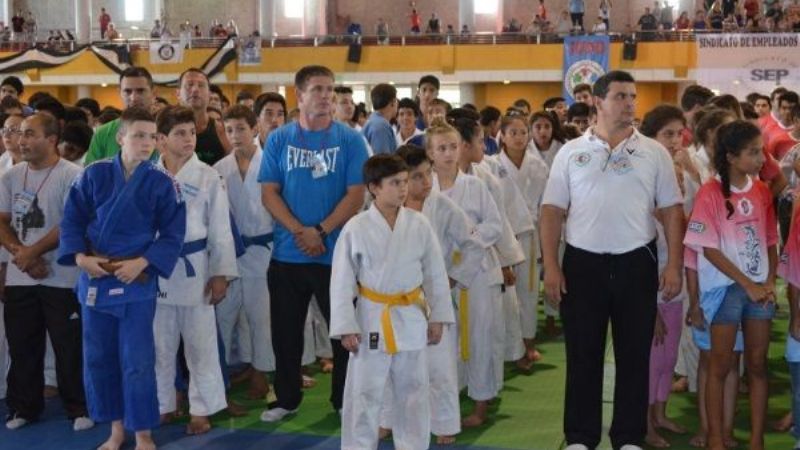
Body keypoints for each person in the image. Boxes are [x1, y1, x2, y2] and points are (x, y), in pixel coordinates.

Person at [540, 71, 684, 450]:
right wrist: (551, 267)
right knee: (582, 353)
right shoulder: (571, 152)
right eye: (621, 96)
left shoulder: (654, 153)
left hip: (636, 262)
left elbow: (671, 211)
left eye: (633, 97)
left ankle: (629, 437)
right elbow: (552, 211)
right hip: (582, 264)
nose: (630, 104)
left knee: (634, 354)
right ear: (598, 102)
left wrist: (673, 266)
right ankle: (580, 437)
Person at [57, 107, 186, 450]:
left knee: (137, 360)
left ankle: (143, 432)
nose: (147, 143)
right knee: (101, 359)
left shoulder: (163, 183)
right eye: (139, 135)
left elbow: (173, 235)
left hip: (135, 280)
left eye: (152, 136)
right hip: (96, 277)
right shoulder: (93, 174)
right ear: (120, 138)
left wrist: (143, 262)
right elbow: (71, 221)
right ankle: (115, 432)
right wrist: (81, 258)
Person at [258, 65, 369, 422]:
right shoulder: (279, 140)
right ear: (299, 95)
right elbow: (269, 193)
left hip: (336, 254)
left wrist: (320, 231)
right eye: (318, 89)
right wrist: (299, 231)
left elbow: (356, 195)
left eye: (331, 90)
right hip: (289, 254)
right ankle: (286, 399)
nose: (326, 97)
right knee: (286, 335)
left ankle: (343, 400)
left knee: (343, 335)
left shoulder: (350, 140)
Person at [330, 153, 453, 450]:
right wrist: (346, 325)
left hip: (410, 315)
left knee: (413, 391)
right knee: (364, 392)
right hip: (371, 317)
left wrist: (437, 317)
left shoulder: (419, 224)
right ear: (373, 187)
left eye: (405, 181)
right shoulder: (356, 227)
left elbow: (435, 274)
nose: (403, 189)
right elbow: (342, 280)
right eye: (395, 182)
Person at [683, 120, 776, 450]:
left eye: (761, 150)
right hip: (723, 291)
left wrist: (767, 281)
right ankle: (716, 440)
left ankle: (756, 439)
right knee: (720, 366)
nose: (762, 158)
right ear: (732, 157)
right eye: (753, 152)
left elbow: (769, 240)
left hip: (758, 292)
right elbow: (706, 247)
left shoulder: (762, 190)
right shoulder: (710, 192)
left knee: (757, 366)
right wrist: (746, 284)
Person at [0, 113, 92, 431]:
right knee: (22, 345)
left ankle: (78, 407)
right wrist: (20, 253)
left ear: (52, 139)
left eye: (29, 134)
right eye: (19, 134)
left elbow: (70, 223)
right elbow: (2, 220)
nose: (21, 140)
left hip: (63, 277)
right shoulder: (10, 177)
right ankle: (23, 407)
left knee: (69, 346)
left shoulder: (73, 175)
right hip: (20, 275)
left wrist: (32, 251)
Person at [152, 105, 236, 435]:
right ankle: (163, 404)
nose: (189, 138)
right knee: (159, 344)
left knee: (200, 345)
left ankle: (202, 408)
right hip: (157, 267)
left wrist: (220, 273)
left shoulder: (208, 175)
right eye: (179, 133)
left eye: (191, 131)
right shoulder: (148, 175)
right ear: (160, 140)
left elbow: (220, 230)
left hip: (196, 266)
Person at [426, 118, 504, 427]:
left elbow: (495, 226)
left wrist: (468, 235)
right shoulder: (423, 187)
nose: (448, 153)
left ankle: (481, 404)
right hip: (435, 273)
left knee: (478, 337)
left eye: (453, 147)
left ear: (461, 149)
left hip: (474, 272)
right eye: (441, 148)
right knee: (444, 339)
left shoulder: (475, 185)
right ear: (430, 153)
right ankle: (448, 399)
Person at [215, 105, 276, 400]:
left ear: (255, 129)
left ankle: (261, 373)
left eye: (241, 128)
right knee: (224, 316)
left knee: (260, 316)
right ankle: (220, 376)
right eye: (229, 130)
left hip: (263, 252)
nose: (235, 135)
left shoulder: (271, 165)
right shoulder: (218, 170)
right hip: (228, 254)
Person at [493, 114, 550, 367]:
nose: (519, 137)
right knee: (504, 295)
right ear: (502, 136)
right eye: (512, 132)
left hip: (529, 233)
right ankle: (507, 348)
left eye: (522, 132)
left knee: (527, 293)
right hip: (501, 238)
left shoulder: (538, 166)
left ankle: (528, 342)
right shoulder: (492, 166)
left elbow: (546, 204)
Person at [85, 67, 157, 165]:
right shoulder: (103, 133)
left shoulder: (167, 130)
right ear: (120, 92)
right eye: (127, 91)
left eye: (140, 91)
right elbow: (90, 175)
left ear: (153, 92)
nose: (133, 98)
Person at [177, 68, 231, 166]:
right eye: (189, 84)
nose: (195, 89)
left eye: (201, 85)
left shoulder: (222, 130)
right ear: (178, 94)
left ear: (209, 94)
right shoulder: (165, 130)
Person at [362, 83, 398, 154]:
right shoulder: (381, 126)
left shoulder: (374, 121)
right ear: (393, 102)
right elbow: (382, 162)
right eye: (396, 100)